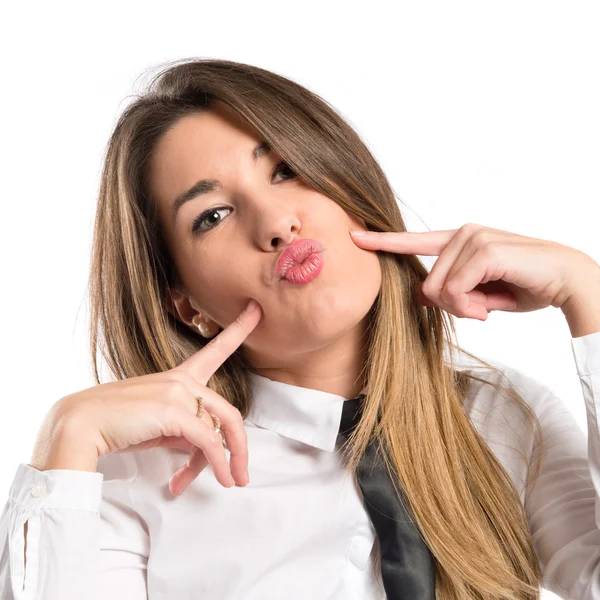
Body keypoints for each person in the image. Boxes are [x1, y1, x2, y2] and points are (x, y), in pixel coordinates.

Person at [0, 57, 599, 600]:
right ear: (186, 306)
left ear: (350, 189)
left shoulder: (508, 417)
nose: (276, 223)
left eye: (286, 170)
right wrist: (67, 436)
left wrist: (588, 293)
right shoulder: (135, 479)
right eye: (212, 216)